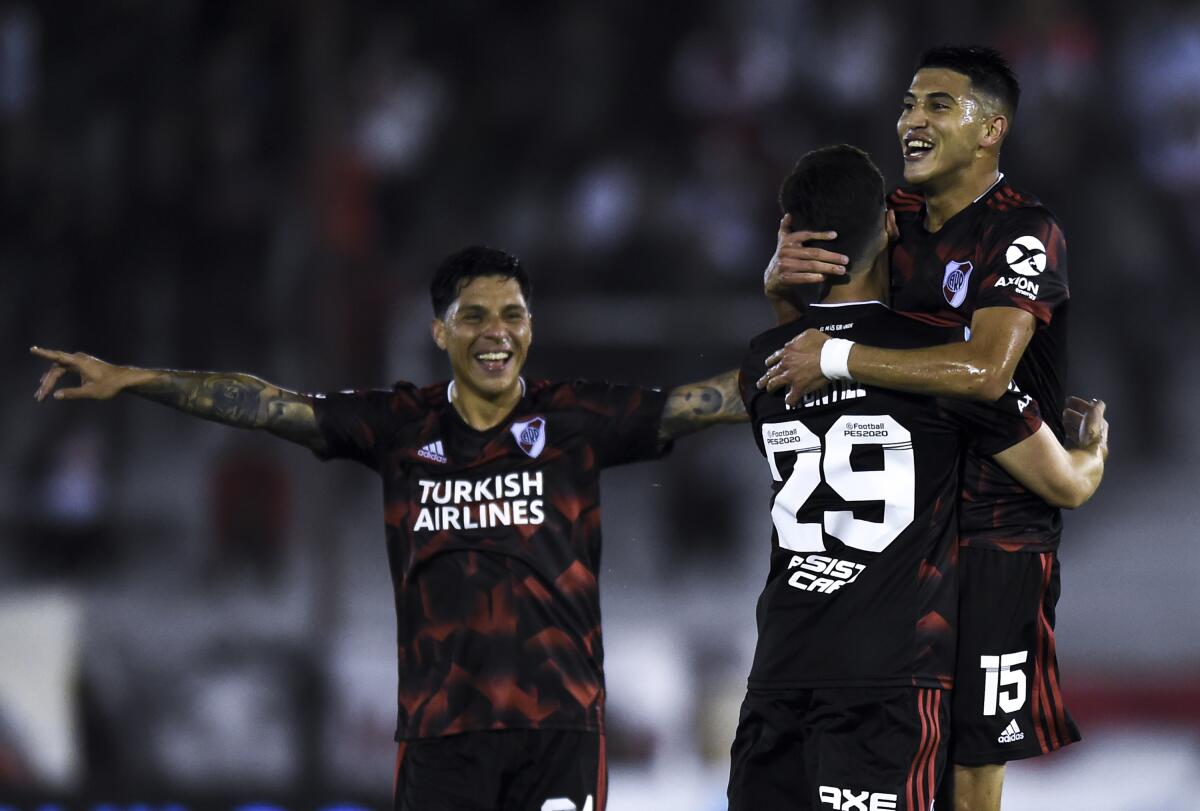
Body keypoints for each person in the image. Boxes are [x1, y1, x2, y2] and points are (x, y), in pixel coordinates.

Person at [31, 245, 747, 811]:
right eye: (475, 315)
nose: (498, 332)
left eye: (514, 314)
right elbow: (264, 405)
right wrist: (135, 378)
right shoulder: (399, 424)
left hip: (554, 730)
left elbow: (700, 403)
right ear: (439, 330)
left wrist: (833, 361)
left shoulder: (576, 418)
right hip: (441, 738)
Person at [729, 145, 1106, 811]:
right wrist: (1091, 448)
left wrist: (781, 299)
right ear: (890, 227)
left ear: (796, 239)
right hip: (888, 676)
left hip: (779, 668)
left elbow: (814, 396)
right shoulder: (933, 362)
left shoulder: (763, 361)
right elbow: (1065, 483)